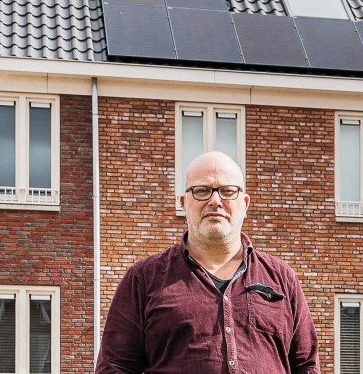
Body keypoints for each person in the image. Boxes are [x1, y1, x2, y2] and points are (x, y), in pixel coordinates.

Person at [96, 151, 320, 374]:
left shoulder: (282, 278)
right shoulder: (143, 278)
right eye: (202, 191)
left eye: (227, 191)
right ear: (183, 203)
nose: (215, 201)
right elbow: (114, 367)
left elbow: (306, 366)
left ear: (245, 203)